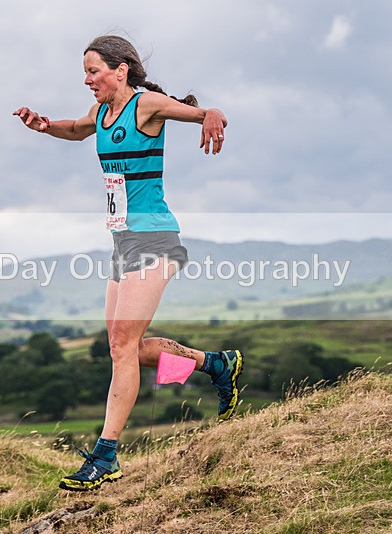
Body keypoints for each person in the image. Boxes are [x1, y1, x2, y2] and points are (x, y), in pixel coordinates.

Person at [13, 34, 243, 492]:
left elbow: (198, 113)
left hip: (154, 237)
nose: (87, 79)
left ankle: (106, 456)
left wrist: (211, 114)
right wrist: (43, 125)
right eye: (85, 71)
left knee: (121, 344)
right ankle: (215, 364)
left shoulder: (145, 105)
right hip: (123, 243)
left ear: (121, 69)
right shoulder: (102, 113)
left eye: (94, 70)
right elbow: (77, 130)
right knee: (128, 348)